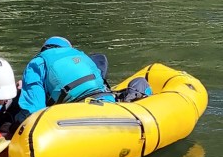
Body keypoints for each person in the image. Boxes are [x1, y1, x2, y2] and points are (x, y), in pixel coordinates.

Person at [15, 36, 152, 123]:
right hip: (107, 100)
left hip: (77, 111)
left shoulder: (37, 62)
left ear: (44, 49)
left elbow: (35, 110)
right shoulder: (82, 56)